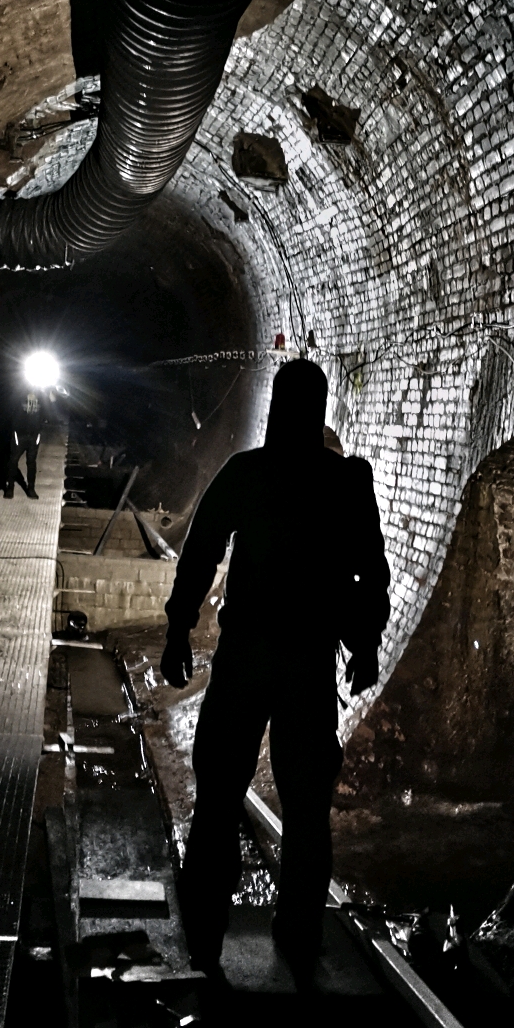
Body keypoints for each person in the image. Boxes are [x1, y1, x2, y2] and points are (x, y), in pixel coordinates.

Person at [161, 359, 390, 978]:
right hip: (309, 665)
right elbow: (370, 570)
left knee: (219, 792)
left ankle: (205, 923)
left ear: (274, 409)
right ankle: (298, 933)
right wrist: (364, 645)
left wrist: (180, 626)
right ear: (319, 413)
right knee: (308, 804)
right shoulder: (344, 483)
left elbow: (202, 548)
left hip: (246, 658)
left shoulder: (249, 472)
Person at [5, 387, 43, 499]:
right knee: (13, 461)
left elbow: (50, 411)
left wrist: (51, 395)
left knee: (31, 462)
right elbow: (10, 407)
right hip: (19, 434)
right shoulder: (19, 393)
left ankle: (31, 488)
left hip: (34, 435)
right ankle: (10, 488)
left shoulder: (42, 394)